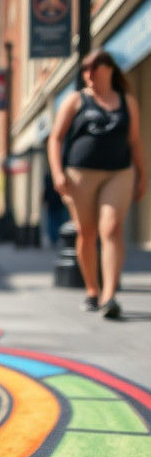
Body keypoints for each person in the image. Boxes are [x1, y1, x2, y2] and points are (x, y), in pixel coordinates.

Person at [48, 48, 147, 319]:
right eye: (85, 70)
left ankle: (109, 296)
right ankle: (92, 289)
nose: (89, 74)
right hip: (80, 174)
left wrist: (143, 174)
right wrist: (57, 173)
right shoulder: (75, 100)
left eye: (94, 68)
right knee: (86, 233)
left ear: (109, 70)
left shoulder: (127, 101)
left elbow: (134, 141)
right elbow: (55, 138)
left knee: (112, 228)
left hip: (119, 172)